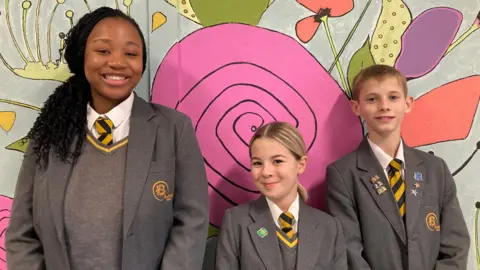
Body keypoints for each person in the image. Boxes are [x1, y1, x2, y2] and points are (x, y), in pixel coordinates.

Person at [6, 7, 209, 270]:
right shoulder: (50, 133)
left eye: (131, 53)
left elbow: (191, 221)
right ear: (82, 56)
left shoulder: (174, 129)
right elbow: (22, 231)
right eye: (103, 51)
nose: (117, 62)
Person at [326, 64, 470, 270]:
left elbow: (456, 245)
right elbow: (348, 249)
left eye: (393, 97)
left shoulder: (435, 169)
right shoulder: (342, 174)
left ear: (407, 104)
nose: (384, 106)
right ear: (356, 107)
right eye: (372, 99)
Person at [216, 121, 347, 270]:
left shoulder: (329, 227)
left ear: (301, 164)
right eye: (258, 163)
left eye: (277, 161)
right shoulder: (236, 223)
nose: (266, 172)